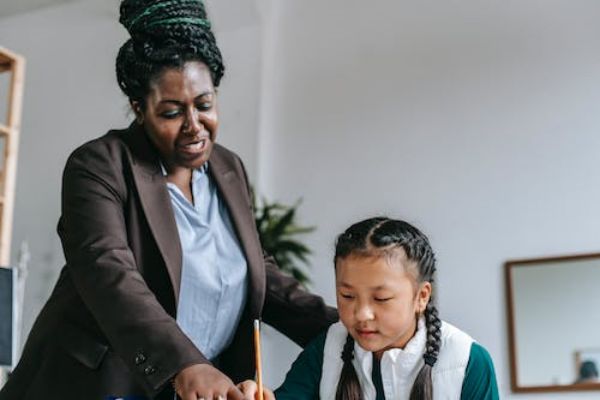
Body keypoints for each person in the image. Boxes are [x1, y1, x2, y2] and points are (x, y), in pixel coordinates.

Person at [0, 0, 337, 399]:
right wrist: (184, 364)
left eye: (205, 105)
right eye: (172, 112)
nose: (194, 126)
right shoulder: (99, 165)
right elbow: (108, 272)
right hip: (97, 384)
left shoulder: (229, 168)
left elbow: (256, 270)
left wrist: (348, 328)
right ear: (139, 108)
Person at [273, 217, 499, 400]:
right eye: (347, 296)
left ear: (422, 296)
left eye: (381, 298)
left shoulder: (467, 361)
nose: (362, 314)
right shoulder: (326, 350)